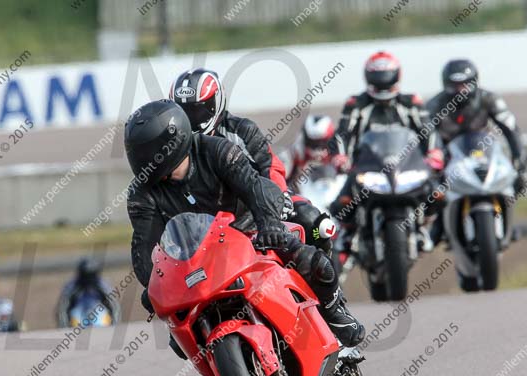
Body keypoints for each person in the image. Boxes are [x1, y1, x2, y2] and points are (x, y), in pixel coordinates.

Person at [125, 99, 365, 349]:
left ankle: (335, 314)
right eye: (137, 152)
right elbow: (144, 246)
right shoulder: (141, 193)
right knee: (179, 338)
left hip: (250, 228)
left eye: (147, 150)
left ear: (172, 141)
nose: (142, 159)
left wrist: (269, 224)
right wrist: (152, 285)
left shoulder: (216, 150)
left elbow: (253, 187)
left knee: (314, 262)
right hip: (199, 257)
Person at [170, 68, 335, 253]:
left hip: (252, 212)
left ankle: (327, 278)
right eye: (184, 112)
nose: (192, 119)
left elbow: (270, 166)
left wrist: (278, 200)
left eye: (198, 110)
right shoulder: (171, 143)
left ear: (216, 103)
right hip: (200, 225)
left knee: (313, 221)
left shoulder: (242, 130)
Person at [330, 51, 444, 248]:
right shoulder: (356, 104)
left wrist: (434, 152)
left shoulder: (411, 102)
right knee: (341, 203)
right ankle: (348, 234)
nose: (383, 84)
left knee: (438, 194)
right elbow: (342, 134)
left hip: (407, 164)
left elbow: (428, 130)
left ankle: (425, 225)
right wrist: (341, 157)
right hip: (366, 166)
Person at [427, 59, 527, 243]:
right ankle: (440, 225)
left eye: (464, 85)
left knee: (517, 178)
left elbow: (510, 128)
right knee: (435, 188)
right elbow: (423, 136)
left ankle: (506, 221)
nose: (460, 90)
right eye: (455, 85)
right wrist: (432, 160)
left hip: (484, 152)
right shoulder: (435, 105)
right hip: (449, 154)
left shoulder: (489, 99)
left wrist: (519, 155)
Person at [55, 258, 120, 328]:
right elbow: (62, 306)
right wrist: (64, 327)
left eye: (91, 275)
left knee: (101, 315)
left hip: (99, 310)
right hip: (78, 311)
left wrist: (114, 325)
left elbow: (114, 305)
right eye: (86, 275)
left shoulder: (102, 284)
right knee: (76, 317)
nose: (88, 279)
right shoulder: (72, 285)